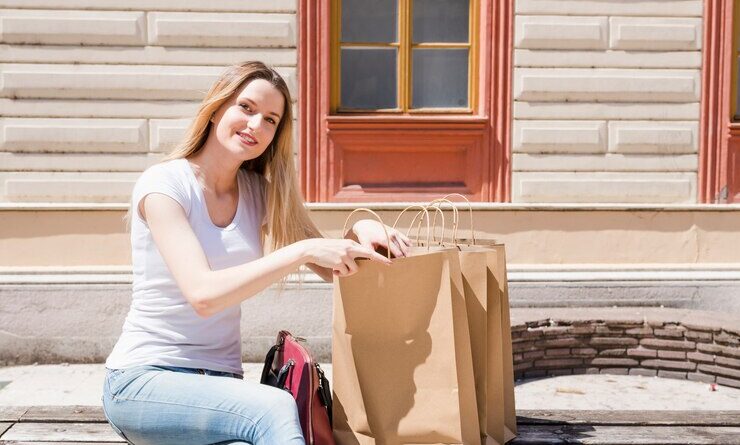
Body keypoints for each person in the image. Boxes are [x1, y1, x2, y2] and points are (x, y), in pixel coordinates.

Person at [102, 61, 411, 445]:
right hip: (143, 381)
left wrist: (363, 230)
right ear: (216, 108)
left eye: (270, 119)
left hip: (220, 388)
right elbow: (203, 295)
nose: (255, 125)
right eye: (246, 108)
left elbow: (330, 264)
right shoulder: (164, 185)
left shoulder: (258, 193)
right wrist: (300, 251)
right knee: (276, 407)